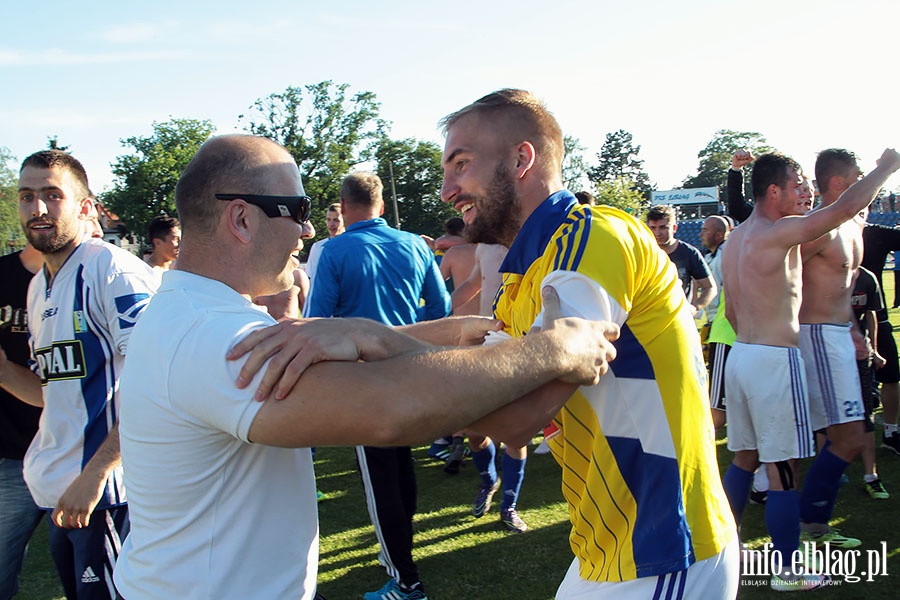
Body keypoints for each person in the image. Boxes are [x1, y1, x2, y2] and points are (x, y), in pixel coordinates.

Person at [112, 133, 619, 600]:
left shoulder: (207, 314)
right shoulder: (209, 334)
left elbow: (341, 363)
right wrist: (554, 350)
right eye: (298, 209)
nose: (309, 229)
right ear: (242, 218)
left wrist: (420, 335)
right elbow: (391, 409)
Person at [439, 89, 737, 598]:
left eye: (460, 164)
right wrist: (363, 340)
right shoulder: (523, 278)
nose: (447, 190)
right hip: (607, 546)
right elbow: (473, 357)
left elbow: (519, 418)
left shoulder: (589, 240)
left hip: (661, 549)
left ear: (521, 160)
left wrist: (364, 402)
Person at [721, 149, 900, 590]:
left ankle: (721, 553)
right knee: (782, 467)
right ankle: (786, 570)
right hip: (772, 359)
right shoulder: (777, 233)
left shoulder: (735, 239)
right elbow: (843, 209)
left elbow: (735, 312)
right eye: (795, 182)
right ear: (773, 190)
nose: (802, 189)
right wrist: (886, 168)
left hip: (741, 354)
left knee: (744, 459)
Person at [0, 150, 160, 599]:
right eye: (27, 197)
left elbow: (159, 384)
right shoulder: (37, 287)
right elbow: (50, 393)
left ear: (86, 207)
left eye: (53, 195)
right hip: (62, 494)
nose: (39, 209)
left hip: (107, 493)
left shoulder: (111, 269)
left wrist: (95, 475)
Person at [304, 171, 451, 599]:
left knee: (381, 478)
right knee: (399, 470)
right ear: (382, 207)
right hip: (412, 372)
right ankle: (404, 565)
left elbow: (318, 321)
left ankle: (406, 580)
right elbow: (440, 312)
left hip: (367, 382)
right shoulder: (413, 245)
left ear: (344, 209)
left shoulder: (334, 250)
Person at [796, 149, 875, 549]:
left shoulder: (853, 225)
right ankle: (810, 524)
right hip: (817, 338)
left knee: (841, 438)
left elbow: (843, 289)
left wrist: (855, 331)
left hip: (839, 336)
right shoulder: (819, 227)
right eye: (860, 177)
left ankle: (808, 520)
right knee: (846, 439)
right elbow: (781, 270)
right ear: (842, 184)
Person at [0, 243, 44, 599]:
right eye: (28, 197)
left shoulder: (94, 281)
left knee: (92, 580)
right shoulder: (4, 276)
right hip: (9, 452)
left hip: (80, 455)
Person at [850, 265, 889, 499]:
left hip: (860, 355)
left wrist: (873, 349)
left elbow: (872, 314)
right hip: (831, 354)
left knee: (867, 411)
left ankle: (871, 476)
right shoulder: (822, 274)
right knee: (826, 414)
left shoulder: (866, 278)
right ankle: (835, 471)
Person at [645, 204, 717, 316]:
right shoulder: (642, 253)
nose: (657, 233)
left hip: (678, 319)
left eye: (663, 227)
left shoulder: (689, 253)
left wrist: (695, 307)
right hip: (647, 320)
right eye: (653, 228)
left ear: (674, 228)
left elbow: (710, 287)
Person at [304, 202, 343, 284]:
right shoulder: (318, 247)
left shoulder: (352, 246)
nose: (331, 224)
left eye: (336, 220)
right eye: (328, 219)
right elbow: (310, 276)